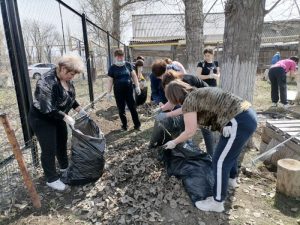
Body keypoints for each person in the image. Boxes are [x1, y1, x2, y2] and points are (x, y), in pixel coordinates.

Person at [163, 80, 257, 212]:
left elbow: (190, 131)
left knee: (219, 162)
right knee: (230, 154)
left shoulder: (190, 100)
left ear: (175, 97)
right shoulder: (195, 94)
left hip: (238, 120)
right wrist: (166, 113)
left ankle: (217, 202)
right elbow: (184, 110)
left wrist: (174, 142)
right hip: (246, 115)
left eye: (171, 99)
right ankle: (231, 179)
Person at [28, 55, 86, 191]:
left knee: (61, 142)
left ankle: (64, 168)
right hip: (42, 118)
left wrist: (79, 110)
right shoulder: (46, 81)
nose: (72, 77)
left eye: (74, 75)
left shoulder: (67, 80)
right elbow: (46, 108)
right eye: (71, 74)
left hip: (58, 116)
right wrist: (66, 117)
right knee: (49, 148)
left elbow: (69, 97)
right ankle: (51, 179)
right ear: (63, 68)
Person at [155, 70, 215, 156]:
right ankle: (186, 142)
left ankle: (211, 155)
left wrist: (174, 142)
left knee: (205, 128)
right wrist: (162, 109)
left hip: (208, 100)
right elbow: (174, 103)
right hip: (199, 102)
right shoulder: (178, 88)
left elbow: (186, 109)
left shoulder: (186, 83)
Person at [107, 49, 141, 131]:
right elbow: (110, 81)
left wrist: (137, 86)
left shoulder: (128, 65)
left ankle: (137, 125)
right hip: (118, 92)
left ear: (123, 56)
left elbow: (134, 76)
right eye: (118, 56)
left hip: (129, 90)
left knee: (132, 107)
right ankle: (124, 126)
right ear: (115, 57)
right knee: (121, 109)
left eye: (121, 56)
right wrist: (108, 92)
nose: (120, 58)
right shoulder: (112, 68)